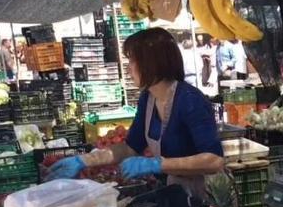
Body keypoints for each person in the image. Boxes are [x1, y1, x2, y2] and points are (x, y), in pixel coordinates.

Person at [47, 28, 225, 198]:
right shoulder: (148, 99)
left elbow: (214, 160)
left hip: (206, 194)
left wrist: (157, 164)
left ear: (152, 63)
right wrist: (84, 161)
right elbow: (130, 148)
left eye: (132, 61)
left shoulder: (190, 100)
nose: (128, 68)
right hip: (175, 191)